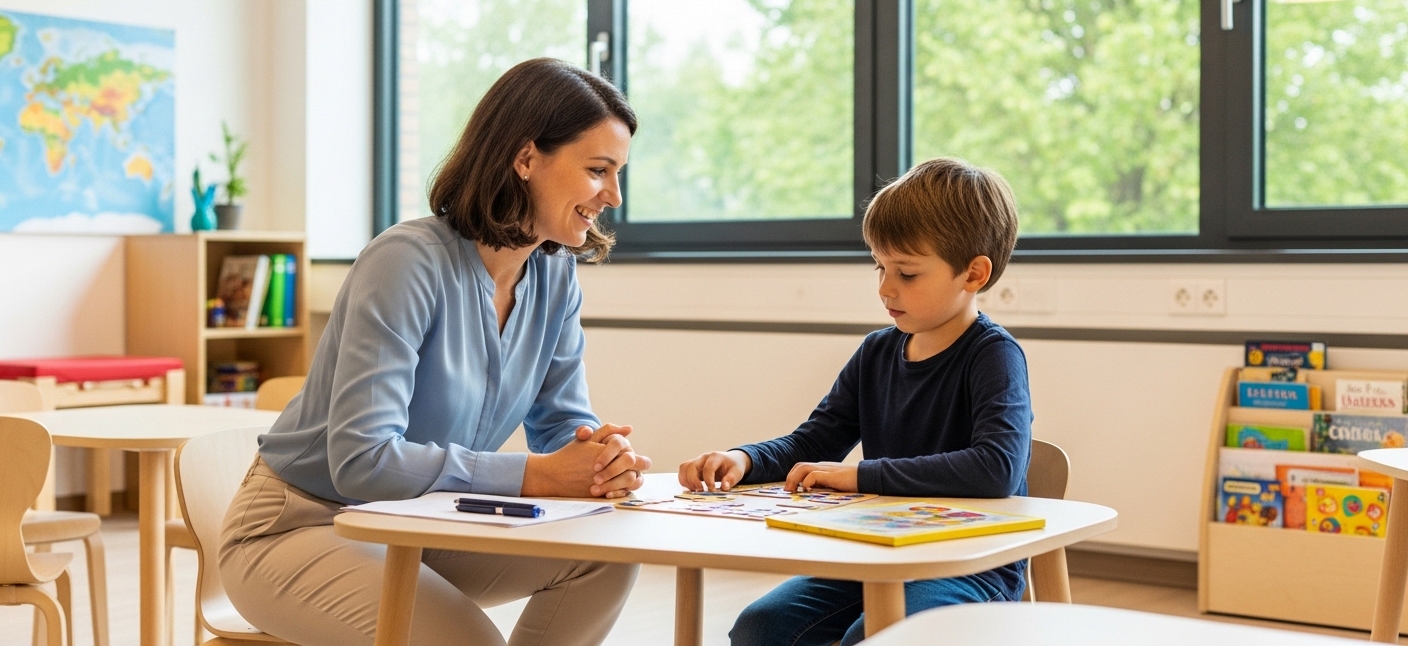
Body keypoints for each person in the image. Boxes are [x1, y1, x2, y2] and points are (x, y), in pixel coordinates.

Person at [220, 58, 651, 646]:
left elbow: (560, 424)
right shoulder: (406, 262)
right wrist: (538, 477)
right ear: (525, 159)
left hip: (423, 523)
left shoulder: (554, 276)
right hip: (306, 525)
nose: (614, 194)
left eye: (617, 172)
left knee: (605, 555)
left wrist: (598, 459)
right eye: (598, 170)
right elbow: (363, 460)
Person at [679, 157, 1032, 646]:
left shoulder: (994, 355)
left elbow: (996, 468)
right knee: (761, 629)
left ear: (973, 274)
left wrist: (861, 474)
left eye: (906, 273)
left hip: (968, 565)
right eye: (880, 267)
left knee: (874, 637)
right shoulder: (877, 351)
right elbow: (815, 439)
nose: (885, 288)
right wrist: (744, 458)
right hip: (877, 553)